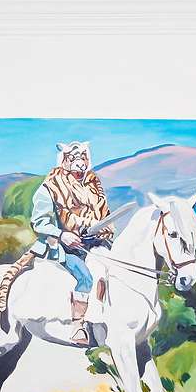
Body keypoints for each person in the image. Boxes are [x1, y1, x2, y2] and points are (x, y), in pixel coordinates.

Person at [27, 141, 113, 345]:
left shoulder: (94, 185)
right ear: (64, 161)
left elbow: (104, 215)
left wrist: (101, 229)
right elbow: (39, 222)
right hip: (61, 247)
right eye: (74, 158)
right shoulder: (50, 187)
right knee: (85, 277)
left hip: (93, 244)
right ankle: (78, 327)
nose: (80, 163)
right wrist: (62, 234)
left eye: (83, 158)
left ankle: (109, 318)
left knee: (113, 271)